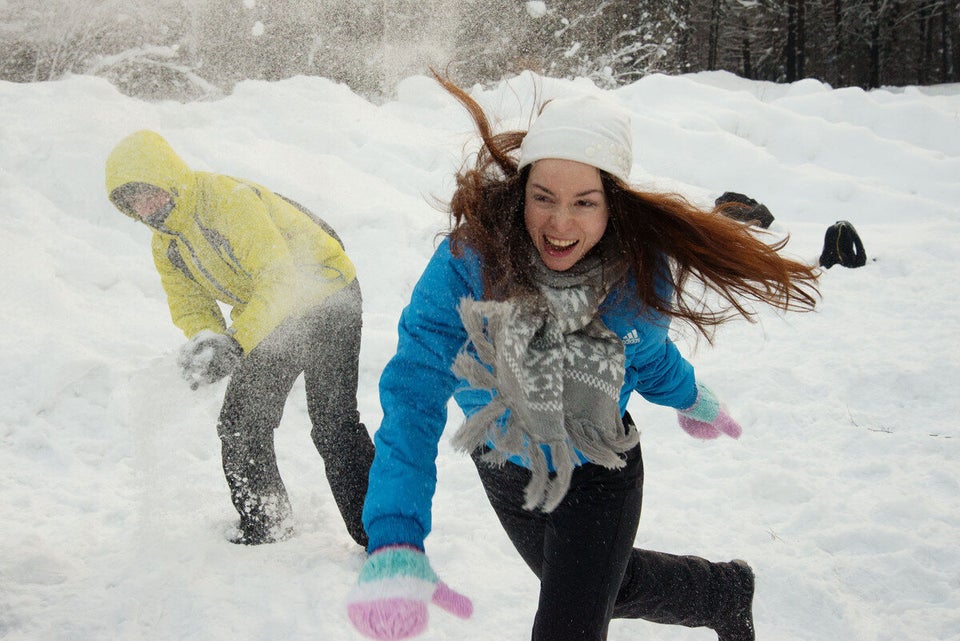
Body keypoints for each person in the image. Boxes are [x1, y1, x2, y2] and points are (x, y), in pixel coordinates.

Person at [346, 75, 820, 641]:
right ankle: (723, 593)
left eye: (584, 202)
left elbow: (648, 361)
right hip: (506, 465)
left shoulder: (634, 280)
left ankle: (715, 593)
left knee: (570, 621)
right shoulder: (469, 266)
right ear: (522, 191)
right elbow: (414, 394)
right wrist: (397, 537)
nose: (559, 223)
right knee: (605, 589)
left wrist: (695, 399)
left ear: (611, 205)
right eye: (543, 197)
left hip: (598, 469)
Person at [105, 130, 375, 547]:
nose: (146, 207)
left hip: (325, 296)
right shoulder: (167, 244)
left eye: (149, 193)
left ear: (168, 177)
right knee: (240, 422)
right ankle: (266, 522)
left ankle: (380, 533)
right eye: (134, 203)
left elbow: (279, 276)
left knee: (332, 422)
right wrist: (207, 342)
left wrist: (236, 342)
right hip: (270, 313)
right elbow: (189, 303)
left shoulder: (226, 200)